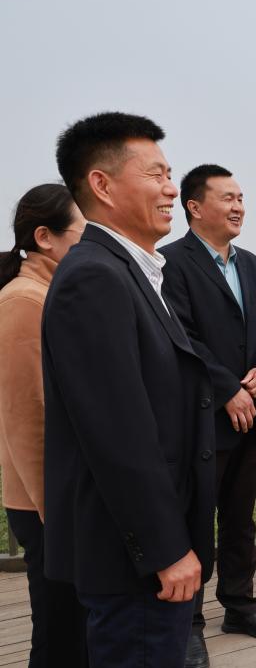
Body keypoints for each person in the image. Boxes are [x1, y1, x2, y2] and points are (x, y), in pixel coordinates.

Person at [44, 111, 216, 667]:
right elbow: (118, 435)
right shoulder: (95, 277)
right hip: (134, 561)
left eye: (170, 174)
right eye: (156, 174)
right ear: (102, 184)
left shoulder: (132, 270)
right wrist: (165, 549)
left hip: (145, 551)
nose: (171, 188)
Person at [161, 164, 256, 667]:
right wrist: (226, 390)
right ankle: (187, 622)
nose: (239, 207)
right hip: (201, 421)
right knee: (195, 520)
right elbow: (181, 339)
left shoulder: (252, 265)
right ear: (195, 207)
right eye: (227, 198)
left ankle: (240, 605)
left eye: (241, 198)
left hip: (251, 417)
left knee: (240, 519)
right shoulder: (171, 263)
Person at [0, 184, 88, 666]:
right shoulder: (23, 301)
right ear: (44, 237)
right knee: (58, 635)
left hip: (63, 495)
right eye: (82, 233)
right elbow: (25, 415)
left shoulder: (50, 293)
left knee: (74, 627)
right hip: (44, 502)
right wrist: (53, 509)